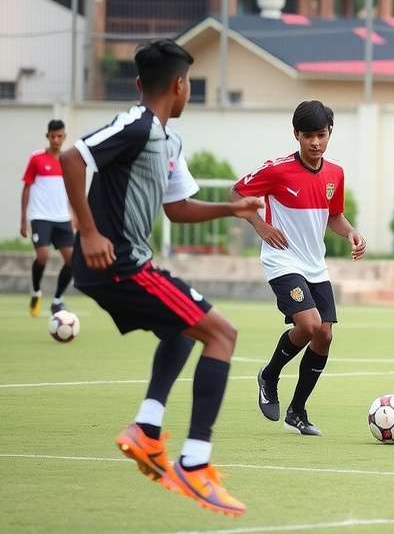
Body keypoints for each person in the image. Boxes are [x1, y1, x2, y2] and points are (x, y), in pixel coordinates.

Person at [60, 39, 263, 515]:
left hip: (128, 265)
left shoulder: (168, 140)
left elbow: (177, 207)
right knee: (222, 335)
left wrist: (231, 208)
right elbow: (72, 158)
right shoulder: (138, 124)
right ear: (179, 85)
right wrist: (88, 232)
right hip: (118, 266)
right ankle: (195, 465)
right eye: (189, 82)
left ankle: (147, 429)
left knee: (183, 330)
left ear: (139, 82)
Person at [231, 100, 366, 436]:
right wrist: (262, 227)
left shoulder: (335, 173)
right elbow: (237, 195)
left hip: (314, 265)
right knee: (309, 324)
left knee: (324, 334)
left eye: (321, 135)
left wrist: (350, 232)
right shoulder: (277, 170)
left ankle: (298, 410)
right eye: (308, 136)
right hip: (282, 260)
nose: (315, 142)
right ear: (296, 134)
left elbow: (334, 216)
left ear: (329, 133)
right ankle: (269, 374)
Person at [20, 119, 75, 316]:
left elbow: (72, 190)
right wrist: (23, 219)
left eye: (60, 136)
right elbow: (26, 188)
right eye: (52, 136)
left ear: (64, 137)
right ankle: (36, 292)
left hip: (62, 218)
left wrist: (75, 215)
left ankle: (57, 300)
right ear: (47, 136)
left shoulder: (69, 160)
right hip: (40, 216)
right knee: (42, 256)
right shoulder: (36, 159)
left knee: (72, 261)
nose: (56, 140)